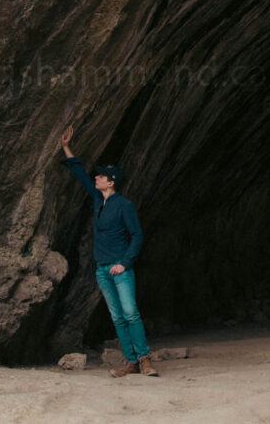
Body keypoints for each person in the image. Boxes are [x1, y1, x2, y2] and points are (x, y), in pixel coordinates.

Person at [59, 125, 159, 377]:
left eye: (102, 176)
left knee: (130, 313)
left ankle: (145, 359)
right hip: (102, 269)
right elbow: (80, 173)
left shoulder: (124, 205)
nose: (97, 177)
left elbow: (137, 236)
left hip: (120, 268)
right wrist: (65, 146)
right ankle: (131, 362)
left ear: (111, 182)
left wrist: (124, 263)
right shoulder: (97, 200)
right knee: (117, 317)